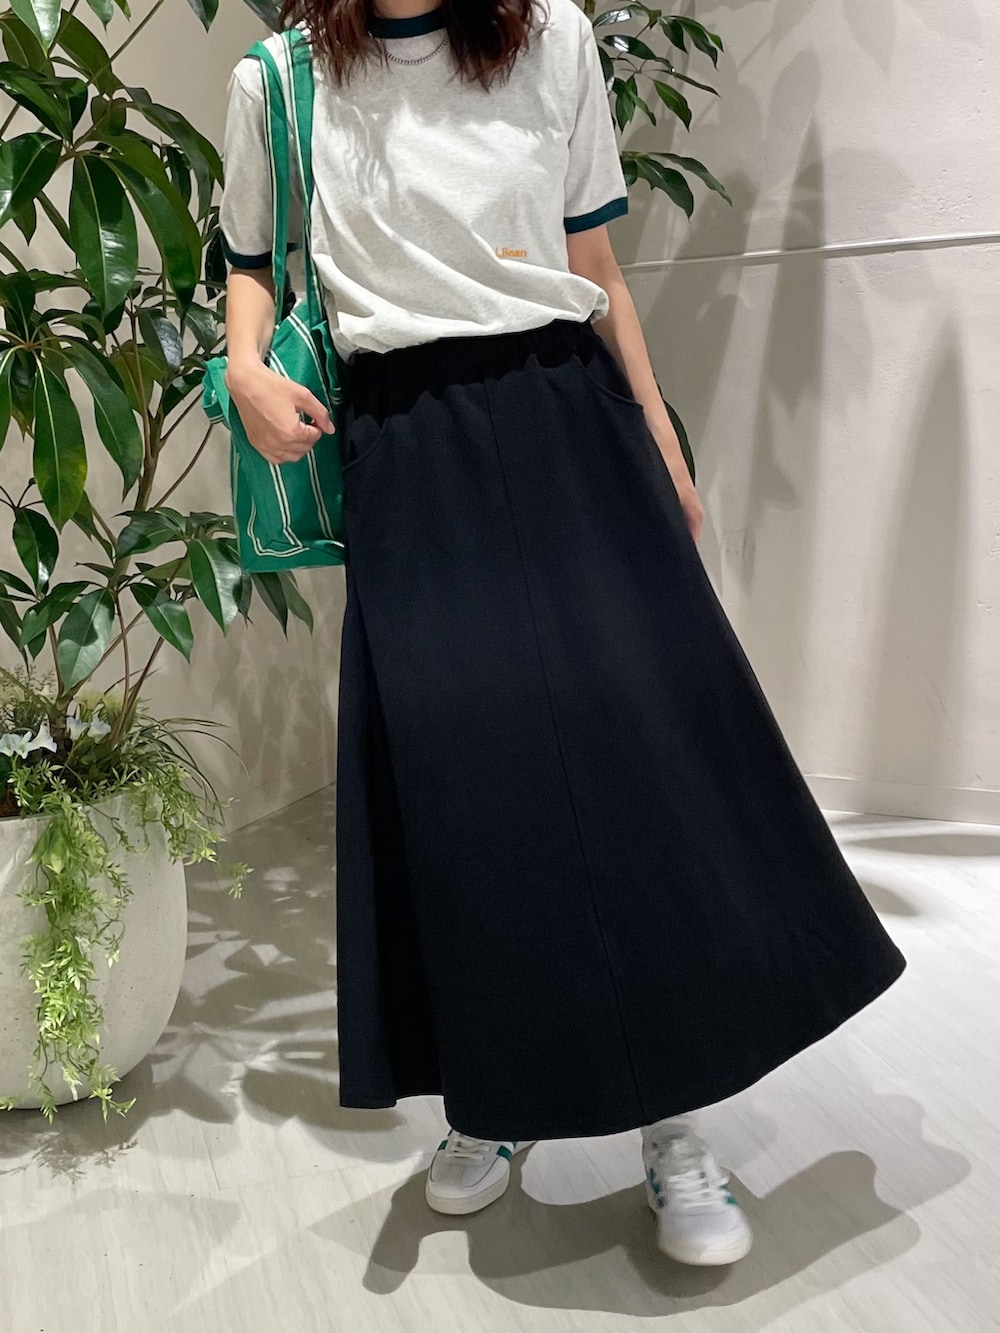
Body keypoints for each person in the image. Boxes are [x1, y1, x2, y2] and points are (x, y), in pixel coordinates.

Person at [218, 0, 906, 1268]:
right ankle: (499, 1098)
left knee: (641, 771)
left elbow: (595, 264)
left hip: (565, 413)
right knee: (466, 792)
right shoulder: (280, 79)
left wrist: (658, 439)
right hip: (404, 444)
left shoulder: (553, 41)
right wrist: (245, 369)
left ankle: (673, 1117)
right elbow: (250, 263)